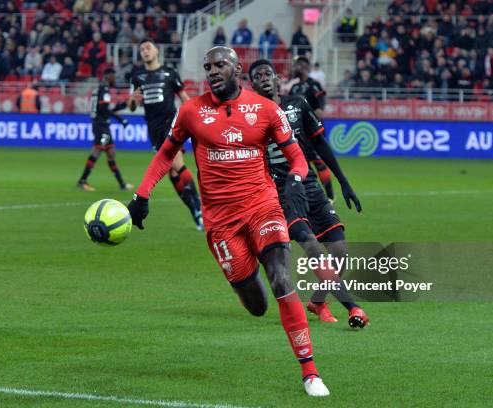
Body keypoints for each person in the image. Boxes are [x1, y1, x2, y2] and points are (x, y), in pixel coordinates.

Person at [127, 46, 330, 397]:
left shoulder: (266, 109)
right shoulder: (191, 111)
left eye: (220, 64)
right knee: (257, 306)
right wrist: (141, 196)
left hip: (262, 205)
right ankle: (245, 280)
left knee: (281, 276)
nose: (213, 71)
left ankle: (310, 372)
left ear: (237, 68)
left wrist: (296, 181)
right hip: (221, 222)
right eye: (208, 66)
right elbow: (165, 154)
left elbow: (297, 158)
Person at [249, 59, 369, 327]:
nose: (265, 78)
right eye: (258, 76)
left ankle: (317, 301)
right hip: (282, 191)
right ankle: (353, 306)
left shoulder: (298, 103)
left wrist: (343, 182)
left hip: (310, 185)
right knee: (312, 246)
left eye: (268, 73)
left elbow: (320, 144)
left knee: (340, 252)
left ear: (278, 78)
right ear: (252, 84)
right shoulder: (253, 116)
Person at [129, 39, 203, 230]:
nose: (145, 51)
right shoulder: (138, 77)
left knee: (177, 163)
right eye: (142, 49)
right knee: (171, 172)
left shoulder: (169, 73)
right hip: (153, 128)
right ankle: (195, 211)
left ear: (156, 51)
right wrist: (133, 101)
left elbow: (185, 99)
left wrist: (196, 117)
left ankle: (199, 210)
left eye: (148, 48)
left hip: (172, 124)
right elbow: (132, 105)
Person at [77, 68, 131, 191]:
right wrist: (120, 119)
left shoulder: (100, 88)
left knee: (111, 152)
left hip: (102, 124)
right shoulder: (104, 89)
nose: (114, 79)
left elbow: (105, 108)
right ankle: (82, 181)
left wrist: (122, 105)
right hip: (100, 125)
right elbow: (104, 109)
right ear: (108, 76)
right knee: (97, 150)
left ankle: (122, 184)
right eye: (113, 76)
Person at [289, 56, 334, 200]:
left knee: (319, 162)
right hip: (299, 132)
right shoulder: (294, 88)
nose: (294, 68)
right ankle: (309, 196)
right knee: (302, 163)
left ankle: (330, 198)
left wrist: (316, 111)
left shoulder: (313, 85)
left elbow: (320, 105)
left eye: (297, 65)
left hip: (313, 130)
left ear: (303, 67)